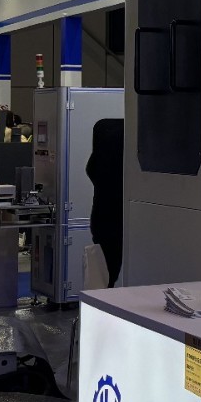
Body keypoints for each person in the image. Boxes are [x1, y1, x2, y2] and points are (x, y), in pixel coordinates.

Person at [85, 117, 124, 286]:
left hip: (101, 217)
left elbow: (90, 170)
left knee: (103, 273)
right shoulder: (125, 147)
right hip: (118, 219)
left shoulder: (100, 159)